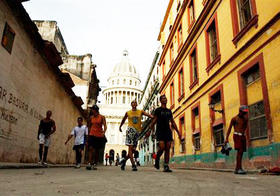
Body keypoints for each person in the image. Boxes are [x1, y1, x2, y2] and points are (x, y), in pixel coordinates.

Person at [149, 95, 182, 172]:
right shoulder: (158, 110)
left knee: (167, 148)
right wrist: (150, 131)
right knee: (162, 147)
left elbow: (172, 122)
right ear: (160, 101)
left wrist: (178, 132)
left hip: (168, 131)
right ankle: (157, 158)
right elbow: (154, 121)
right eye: (163, 98)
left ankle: (166, 165)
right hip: (160, 131)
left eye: (165, 98)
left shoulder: (169, 111)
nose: (165, 99)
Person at [119, 100, 153, 171]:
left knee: (133, 150)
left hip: (137, 132)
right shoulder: (128, 112)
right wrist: (120, 126)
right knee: (130, 148)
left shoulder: (140, 111)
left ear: (137, 104)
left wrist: (154, 117)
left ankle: (123, 161)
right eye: (133, 103)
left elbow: (148, 115)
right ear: (131, 105)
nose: (134, 104)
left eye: (135, 103)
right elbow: (123, 119)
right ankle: (133, 165)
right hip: (130, 131)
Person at [225, 105, 249, 174]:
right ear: (240, 111)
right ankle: (239, 168)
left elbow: (245, 127)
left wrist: (243, 135)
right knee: (239, 151)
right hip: (236, 136)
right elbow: (229, 129)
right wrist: (226, 138)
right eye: (243, 112)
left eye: (245, 113)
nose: (244, 114)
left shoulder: (245, 119)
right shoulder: (234, 119)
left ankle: (237, 168)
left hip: (242, 136)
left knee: (241, 152)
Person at [86, 105, 107, 170]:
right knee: (90, 148)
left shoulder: (102, 117)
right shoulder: (91, 117)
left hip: (99, 135)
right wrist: (88, 134)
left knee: (96, 150)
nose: (92, 111)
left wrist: (104, 132)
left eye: (93, 110)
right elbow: (89, 126)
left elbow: (105, 125)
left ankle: (94, 163)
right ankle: (89, 163)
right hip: (92, 134)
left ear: (96, 110)